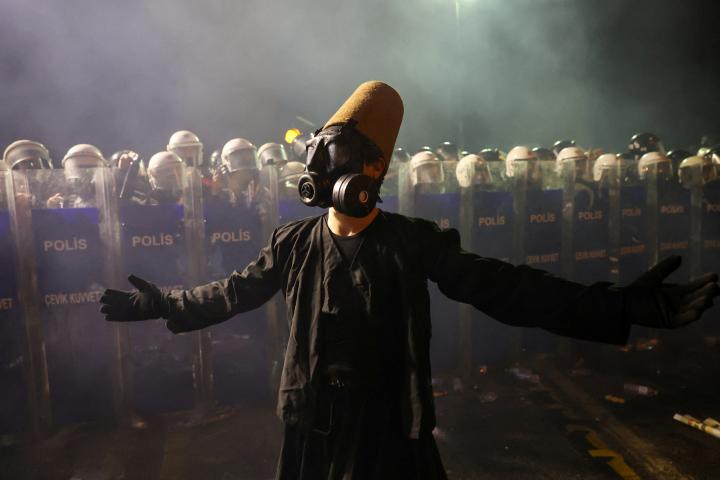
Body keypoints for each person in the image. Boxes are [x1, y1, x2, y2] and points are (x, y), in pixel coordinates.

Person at [99, 81, 719, 479]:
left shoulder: (412, 242)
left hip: (390, 429)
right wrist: (163, 304)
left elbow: (510, 290)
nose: (320, 164)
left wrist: (620, 307)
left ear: (373, 169)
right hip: (312, 425)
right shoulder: (293, 243)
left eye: (337, 152)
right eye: (319, 149)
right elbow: (232, 293)